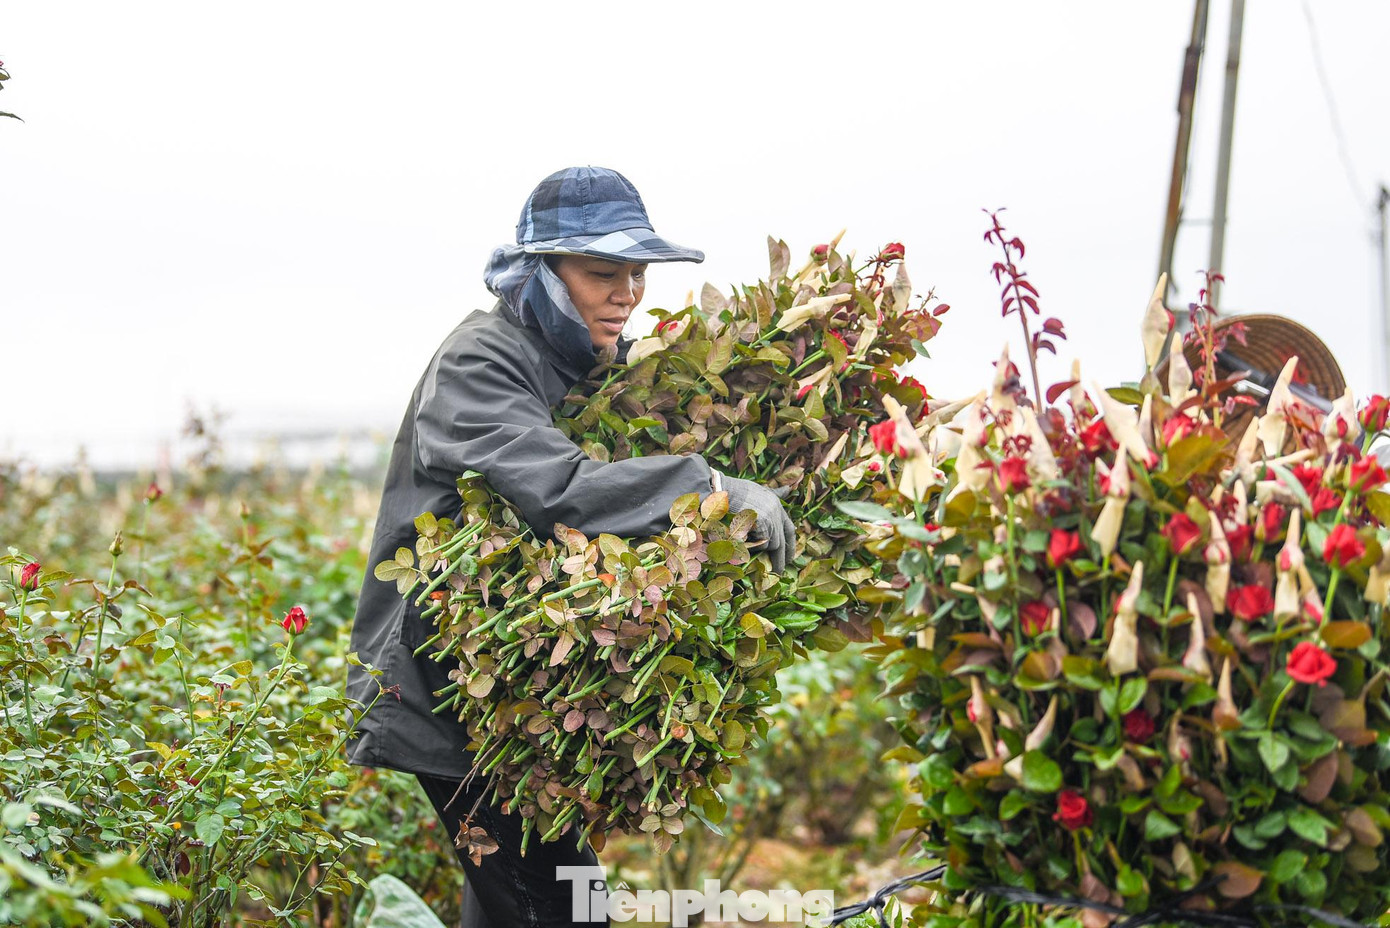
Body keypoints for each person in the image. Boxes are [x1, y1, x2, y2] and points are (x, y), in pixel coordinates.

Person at [345, 166, 796, 927]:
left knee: (514, 909)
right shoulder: (480, 360)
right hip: (450, 697)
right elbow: (558, 489)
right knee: (563, 911)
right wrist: (712, 487)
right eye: (601, 272)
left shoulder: (577, 360)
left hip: (507, 706)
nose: (626, 293)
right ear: (542, 273)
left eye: (636, 273)